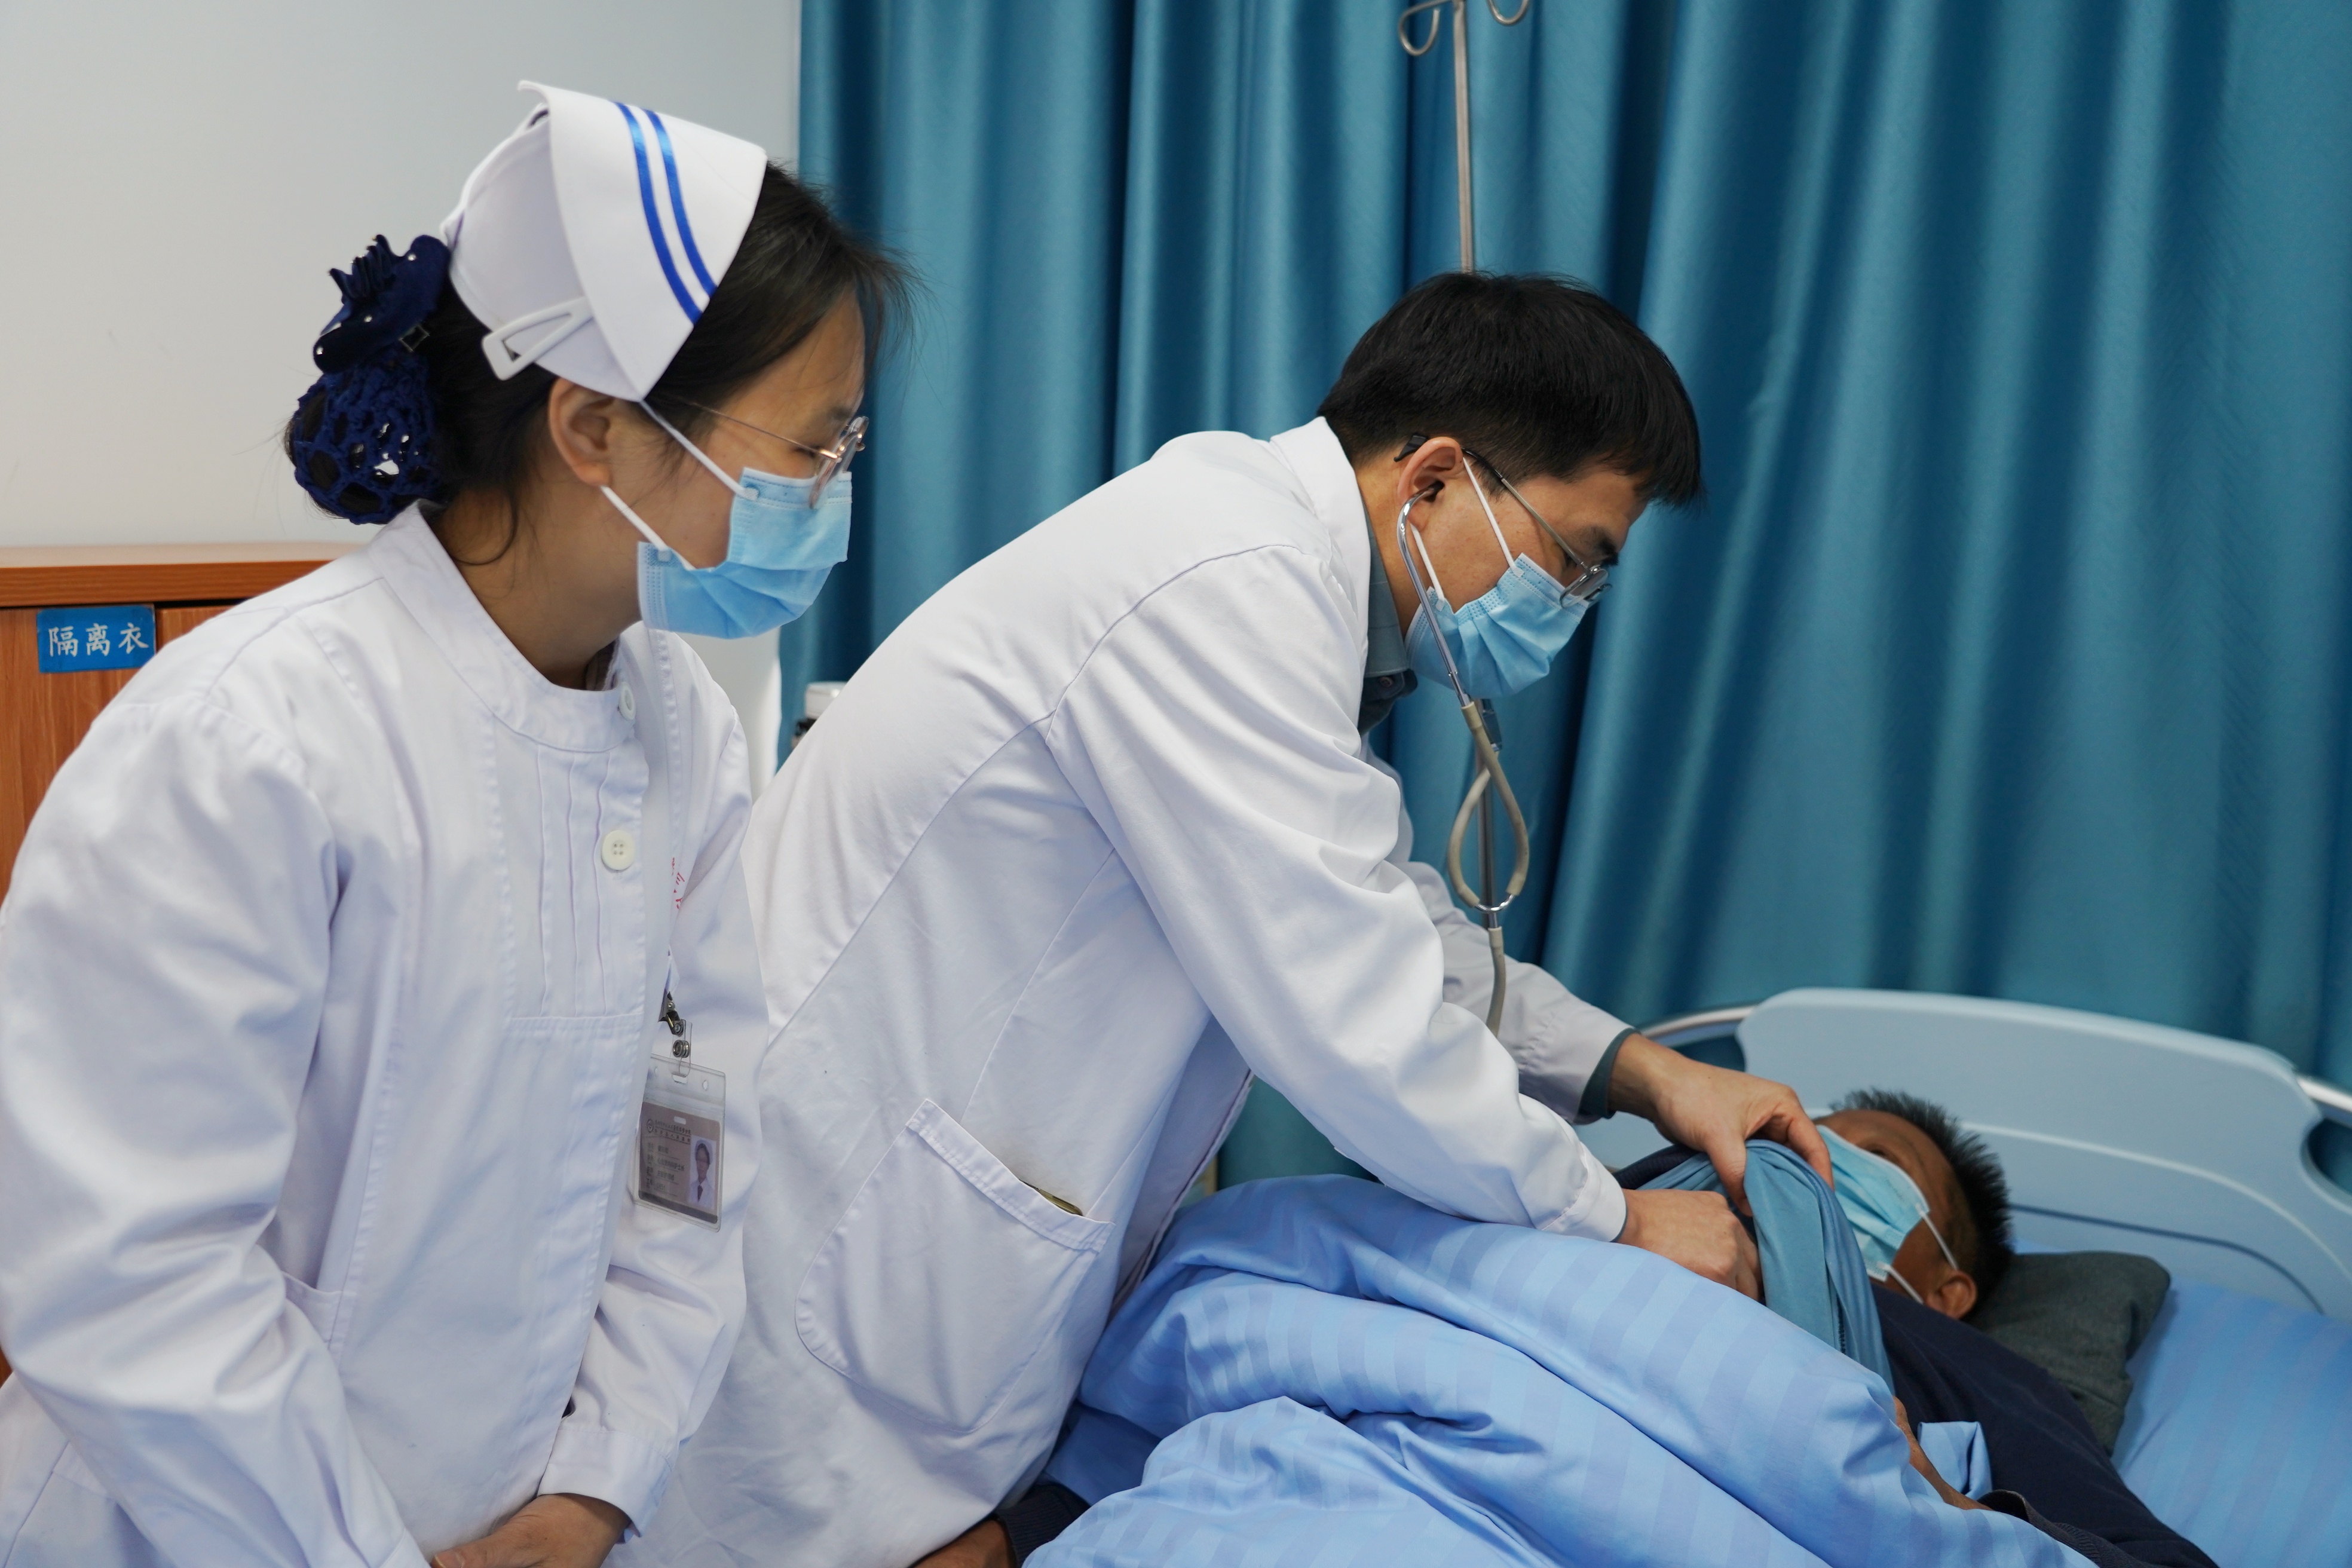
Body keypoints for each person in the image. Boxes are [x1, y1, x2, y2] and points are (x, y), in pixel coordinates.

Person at [620, 274, 1833, 1568]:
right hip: (836, 1239)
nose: (1571, 606)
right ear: (1433, 479)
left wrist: (1642, 1070)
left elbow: (1376, 918)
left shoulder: (1273, 585)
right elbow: (1358, 1023)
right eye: (1574, 558)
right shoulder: (1226, 582)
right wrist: (1617, 1218)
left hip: (934, 1258)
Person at [0, 84, 901, 1568]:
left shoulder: (683, 731)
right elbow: (131, 1277)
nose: (828, 494)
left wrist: (594, 1489)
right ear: (596, 425)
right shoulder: (250, 739)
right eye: (811, 448)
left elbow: (688, 1158)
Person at [1814, 1092, 2216, 1568]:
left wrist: (1956, 1516)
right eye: (1801, 1135)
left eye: (1878, 1157)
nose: (1809, 1156)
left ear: (1947, 1293)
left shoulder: (1982, 1377)